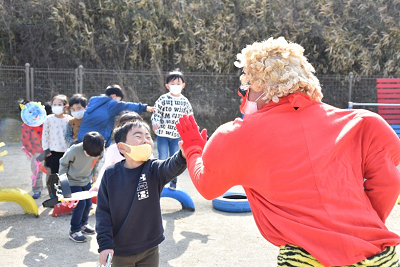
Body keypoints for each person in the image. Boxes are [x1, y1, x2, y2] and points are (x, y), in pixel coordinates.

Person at [176, 37, 400, 267]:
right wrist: (357, 227)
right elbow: (389, 184)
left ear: (262, 86)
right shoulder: (362, 123)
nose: (244, 97)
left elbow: (207, 186)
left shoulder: (237, 135)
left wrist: (193, 150)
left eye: (247, 88)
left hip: (305, 258)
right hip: (377, 254)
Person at [96, 119, 187, 267]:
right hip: (120, 250)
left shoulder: (154, 168)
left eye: (148, 136)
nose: (145, 140)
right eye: (138, 136)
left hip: (150, 247)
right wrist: (105, 245)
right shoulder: (110, 174)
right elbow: (103, 213)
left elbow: (171, 166)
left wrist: (182, 155)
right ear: (122, 147)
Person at [59, 131, 104, 243]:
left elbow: (96, 163)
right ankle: (74, 230)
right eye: (89, 154)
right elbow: (63, 163)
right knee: (81, 204)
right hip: (72, 181)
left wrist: (94, 174)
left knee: (88, 203)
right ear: (84, 145)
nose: (92, 156)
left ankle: (83, 224)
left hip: (86, 180)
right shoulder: (74, 150)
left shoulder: (98, 151)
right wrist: (63, 181)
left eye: (94, 155)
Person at [151, 69, 193, 189]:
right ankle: (161, 180)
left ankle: (173, 181)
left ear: (183, 85)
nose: (175, 86)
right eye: (172, 84)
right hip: (163, 135)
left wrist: (191, 130)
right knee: (163, 157)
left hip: (177, 136)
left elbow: (190, 117)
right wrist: (155, 122)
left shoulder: (185, 102)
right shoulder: (163, 99)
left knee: (176, 159)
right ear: (167, 86)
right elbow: (156, 113)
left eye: (178, 84)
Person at [77, 84, 155, 147]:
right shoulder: (110, 104)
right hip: (96, 141)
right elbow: (126, 106)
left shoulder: (94, 102)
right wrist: (144, 107)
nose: (119, 102)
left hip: (82, 138)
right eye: (119, 100)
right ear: (113, 96)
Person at [90, 111, 145, 192]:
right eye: (127, 126)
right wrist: (98, 185)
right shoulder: (114, 149)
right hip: (120, 188)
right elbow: (106, 168)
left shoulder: (144, 148)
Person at [19, 100, 47, 199]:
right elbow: (25, 139)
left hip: (48, 150)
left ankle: (52, 188)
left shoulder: (45, 121)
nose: (34, 114)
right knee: (36, 171)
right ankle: (37, 190)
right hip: (36, 151)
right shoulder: (26, 125)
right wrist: (32, 151)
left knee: (50, 170)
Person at [42, 94, 71, 175]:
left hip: (66, 152)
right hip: (53, 152)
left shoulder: (69, 119)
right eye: (54, 104)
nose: (56, 106)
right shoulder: (48, 119)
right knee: (54, 174)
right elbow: (45, 135)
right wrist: (46, 148)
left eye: (59, 104)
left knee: (66, 174)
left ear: (65, 106)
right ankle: (53, 187)